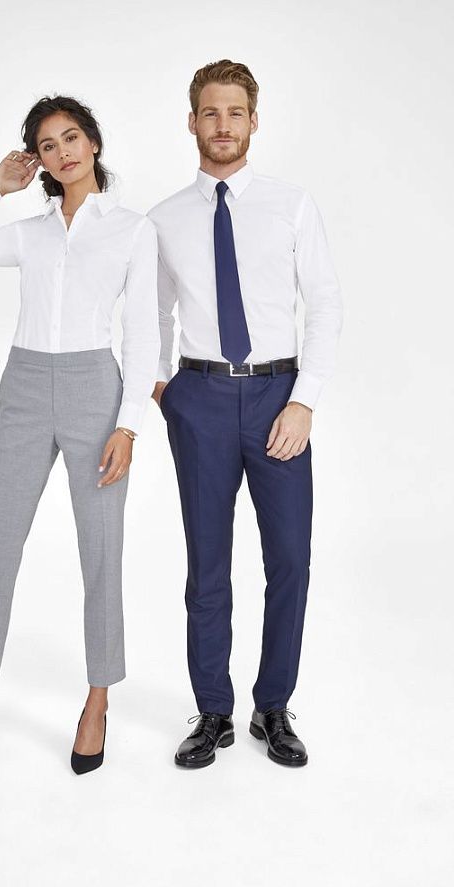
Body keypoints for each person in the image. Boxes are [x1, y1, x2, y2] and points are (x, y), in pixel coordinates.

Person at [0, 95, 160, 774]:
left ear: (94, 142)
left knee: (100, 551)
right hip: (24, 388)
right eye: (48, 145)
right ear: (40, 160)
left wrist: (129, 425)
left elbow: (143, 334)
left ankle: (98, 701)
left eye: (71, 137)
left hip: (95, 389)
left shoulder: (133, 230)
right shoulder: (30, 233)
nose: (63, 152)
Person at [148, 60, 343, 769]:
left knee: (289, 558)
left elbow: (324, 302)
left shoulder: (291, 205)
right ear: (192, 121)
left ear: (254, 121)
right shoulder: (165, 218)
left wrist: (304, 399)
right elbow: (151, 313)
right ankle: (213, 710)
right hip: (199, 397)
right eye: (210, 112)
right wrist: (165, 388)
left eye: (235, 112)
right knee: (207, 564)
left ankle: (272, 706)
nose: (223, 125)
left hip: (276, 397)